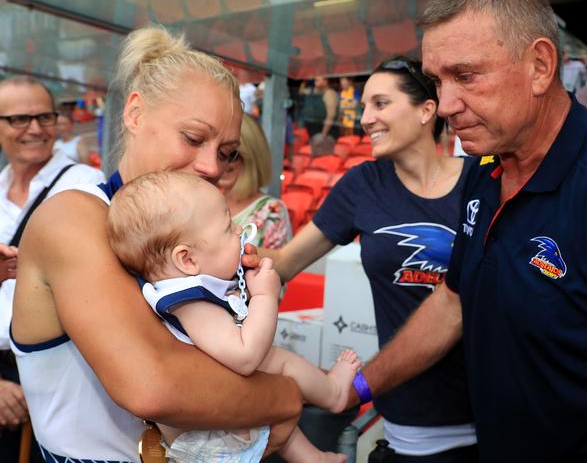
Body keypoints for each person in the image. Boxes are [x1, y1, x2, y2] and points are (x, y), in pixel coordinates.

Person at [341, 0, 587, 462]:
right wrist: (357, 386)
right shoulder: (486, 168)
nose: (445, 106)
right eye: (437, 81)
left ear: (540, 66)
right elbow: (455, 301)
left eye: (466, 76)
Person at [10, 26, 303, 462]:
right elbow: (154, 384)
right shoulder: (73, 217)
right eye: (192, 138)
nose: (210, 167)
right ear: (134, 113)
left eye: (227, 152)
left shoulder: (192, 235)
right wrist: (286, 396)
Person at [262, 56, 477, 462]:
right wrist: (228, 250)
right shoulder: (363, 184)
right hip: (411, 427)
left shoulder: (481, 179)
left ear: (426, 110)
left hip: (495, 415)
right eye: (363, 107)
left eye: (380, 104)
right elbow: (287, 262)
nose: (364, 119)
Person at [107, 171, 358, 462]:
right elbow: (246, 356)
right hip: (214, 436)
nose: (240, 231)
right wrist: (265, 296)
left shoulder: (179, 287)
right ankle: (334, 393)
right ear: (187, 259)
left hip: (213, 426)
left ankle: (313, 458)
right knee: (277, 361)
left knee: (273, 386)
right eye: (228, 228)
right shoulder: (190, 303)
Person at [0, 75, 105, 461]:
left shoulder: (84, 185)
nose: (35, 129)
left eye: (45, 117)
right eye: (18, 119)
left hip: (58, 371)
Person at [218, 114, 292, 249]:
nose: (222, 163)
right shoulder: (207, 200)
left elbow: (277, 266)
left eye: (232, 155)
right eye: (219, 154)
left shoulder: (271, 210)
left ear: (252, 157)